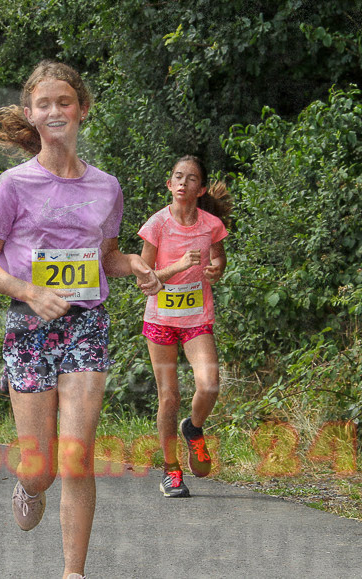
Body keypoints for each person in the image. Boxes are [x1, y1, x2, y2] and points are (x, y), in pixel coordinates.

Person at [0, 60, 160, 579]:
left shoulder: (107, 187)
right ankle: (29, 484)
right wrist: (29, 291)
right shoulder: (13, 184)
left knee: (78, 454)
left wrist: (135, 265)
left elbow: (107, 257)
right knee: (42, 469)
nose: (55, 111)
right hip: (29, 328)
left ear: (82, 109)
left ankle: (73, 573)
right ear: (30, 114)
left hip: (86, 325)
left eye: (65, 101)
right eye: (44, 104)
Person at [139, 155, 231, 497]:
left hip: (196, 319)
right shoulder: (157, 225)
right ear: (169, 184)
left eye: (191, 179)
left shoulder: (211, 225)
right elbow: (144, 279)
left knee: (209, 385)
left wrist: (217, 268)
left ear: (200, 189)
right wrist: (177, 266)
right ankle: (172, 470)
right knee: (169, 397)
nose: (183, 183)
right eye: (178, 177)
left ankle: (193, 428)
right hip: (161, 320)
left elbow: (219, 256)